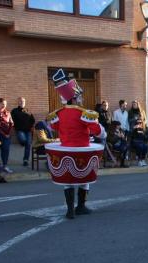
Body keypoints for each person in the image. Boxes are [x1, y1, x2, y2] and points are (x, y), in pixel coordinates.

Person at [47, 68, 105, 219]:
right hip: (82, 151)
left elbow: (53, 127)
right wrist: (101, 131)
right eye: (79, 97)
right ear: (73, 98)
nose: (81, 99)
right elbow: (98, 131)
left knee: (68, 180)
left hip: (65, 150)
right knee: (85, 179)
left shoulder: (58, 114)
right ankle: (81, 206)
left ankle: (69, 210)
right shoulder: (83, 113)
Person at [0, 98, 14, 173]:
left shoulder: (8, 112)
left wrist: (8, 134)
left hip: (7, 136)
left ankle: (5, 166)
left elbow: (11, 123)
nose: (4, 105)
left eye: (5, 103)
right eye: (2, 103)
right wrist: (4, 134)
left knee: (5, 150)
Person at [11, 97, 35, 167]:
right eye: (20, 101)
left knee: (28, 144)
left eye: (23, 101)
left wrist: (31, 126)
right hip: (19, 130)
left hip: (28, 131)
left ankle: (25, 160)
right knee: (23, 140)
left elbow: (32, 120)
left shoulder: (28, 110)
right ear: (18, 102)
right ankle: (22, 143)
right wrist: (14, 127)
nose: (22, 103)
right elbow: (11, 120)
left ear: (25, 102)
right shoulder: (14, 111)